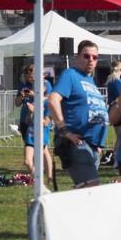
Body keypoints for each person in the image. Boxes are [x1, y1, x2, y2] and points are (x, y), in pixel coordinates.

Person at [49, 40, 109, 189]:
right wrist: (64, 131)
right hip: (76, 142)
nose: (91, 60)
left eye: (94, 57)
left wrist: (98, 145)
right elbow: (53, 100)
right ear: (77, 57)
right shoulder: (71, 74)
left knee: (84, 191)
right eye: (86, 56)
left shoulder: (90, 80)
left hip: (92, 146)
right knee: (91, 188)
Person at [14, 64, 53, 187]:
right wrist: (22, 95)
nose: (30, 78)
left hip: (41, 120)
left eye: (32, 75)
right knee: (30, 147)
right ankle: (38, 176)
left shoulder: (45, 84)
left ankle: (48, 176)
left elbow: (48, 99)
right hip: (26, 121)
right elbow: (17, 103)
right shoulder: (23, 85)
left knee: (43, 149)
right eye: (28, 76)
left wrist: (33, 95)